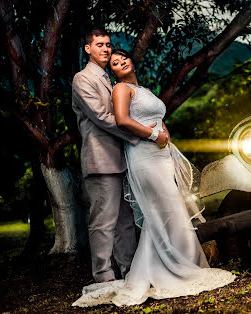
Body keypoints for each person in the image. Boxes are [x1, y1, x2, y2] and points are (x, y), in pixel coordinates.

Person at [72, 49, 235, 307]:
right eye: (114, 62)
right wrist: (152, 136)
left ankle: (184, 262)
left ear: (132, 61)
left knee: (171, 208)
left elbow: (159, 119)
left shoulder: (144, 89)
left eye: (123, 58)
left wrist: (168, 146)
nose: (121, 62)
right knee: (164, 210)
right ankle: (172, 267)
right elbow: (123, 121)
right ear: (112, 71)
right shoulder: (120, 90)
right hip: (143, 155)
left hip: (160, 155)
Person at [72, 28, 157, 283]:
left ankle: (130, 271)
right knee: (103, 222)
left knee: (125, 222)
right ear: (88, 49)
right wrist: (138, 134)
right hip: (100, 161)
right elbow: (101, 117)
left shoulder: (109, 78)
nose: (106, 49)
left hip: (121, 159)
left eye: (108, 44)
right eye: (99, 45)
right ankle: (103, 277)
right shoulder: (82, 78)